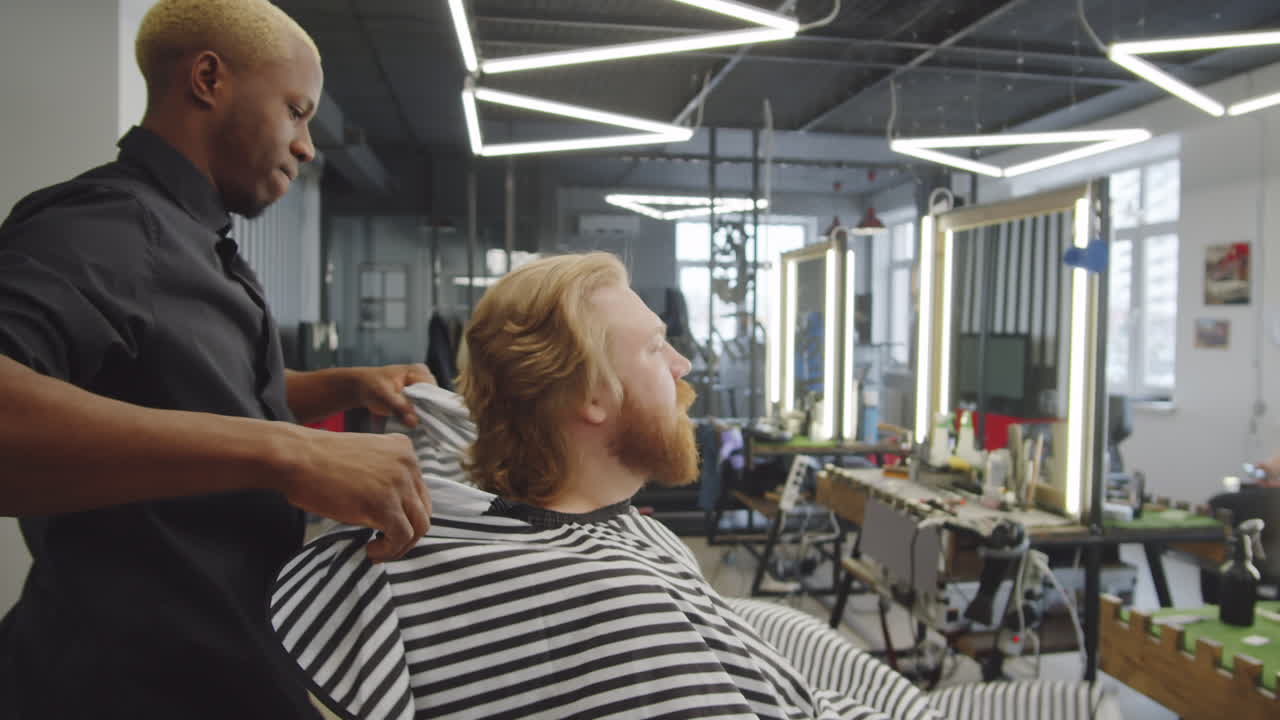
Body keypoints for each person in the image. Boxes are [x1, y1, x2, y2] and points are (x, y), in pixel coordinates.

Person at [269, 253, 1112, 720]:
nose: (685, 368)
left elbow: (457, 415)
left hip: (800, 668)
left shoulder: (476, 474)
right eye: (656, 349)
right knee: (1092, 710)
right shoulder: (609, 608)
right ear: (590, 397)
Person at [0, 1, 432, 717]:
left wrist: (346, 385)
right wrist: (288, 454)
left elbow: (194, 389)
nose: (307, 146)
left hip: (230, 660)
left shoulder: (196, 243)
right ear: (208, 78)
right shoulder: (108, 226)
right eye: (296, 111)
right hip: (125, 686)